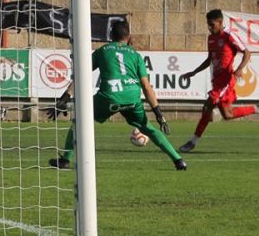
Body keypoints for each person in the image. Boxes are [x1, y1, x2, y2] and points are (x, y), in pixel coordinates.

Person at [47, 21, 187, 171]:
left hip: (109, 97)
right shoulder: (136, 55)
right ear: (129, 37)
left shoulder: (102, 51)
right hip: (132, 98)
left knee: (79, 121)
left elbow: (82, 73)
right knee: (148, 127)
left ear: (111, 36)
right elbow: (146, 86)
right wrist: (159, 113)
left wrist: (65, 98)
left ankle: (66, 160)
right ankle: (178, 160)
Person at [177, 9, 259, 153]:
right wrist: (193, 72)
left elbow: (246, 52)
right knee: (227, 115)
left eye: (212, 24)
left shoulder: (229, 36)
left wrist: (239, 69)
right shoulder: (211, 38)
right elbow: (209, 60)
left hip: (226, 81)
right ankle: (257, 108)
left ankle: (192, 142)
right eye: (208, 25)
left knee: (208, 105)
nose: (209, 27)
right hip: (217, 81)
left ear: (220, 22)